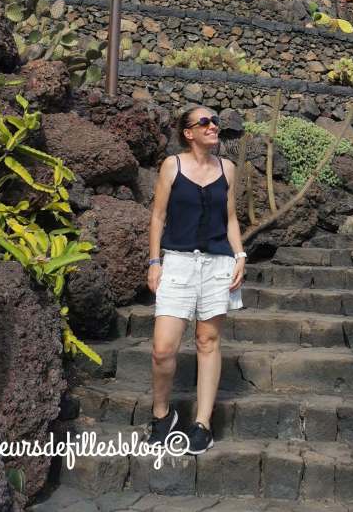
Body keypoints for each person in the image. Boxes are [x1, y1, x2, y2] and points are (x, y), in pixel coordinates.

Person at [146, 106, 246, 455]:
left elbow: (231, 217)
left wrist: (240, 256)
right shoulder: (171, 166)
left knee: (208, 340)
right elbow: (158, 216)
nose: (213, 125)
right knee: (163, 349)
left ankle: (202, 424)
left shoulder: (228, 169)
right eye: (204, 121)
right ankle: (162, 414)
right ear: (188, 133)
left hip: (218, 263)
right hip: (177, 262)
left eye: (214, 120)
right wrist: (154, 261)